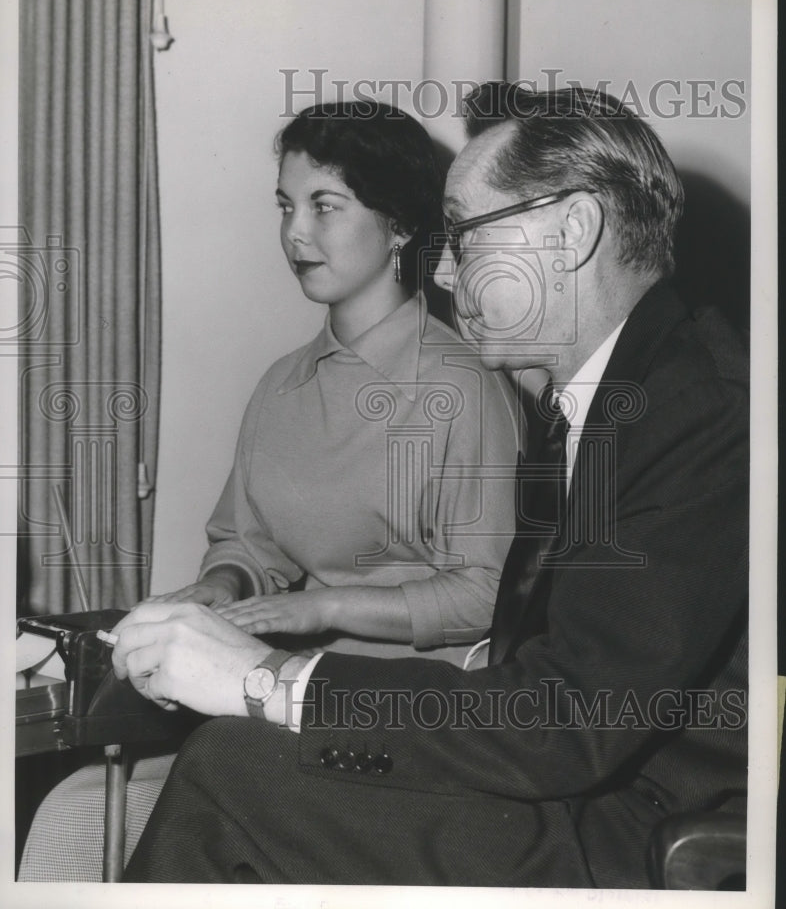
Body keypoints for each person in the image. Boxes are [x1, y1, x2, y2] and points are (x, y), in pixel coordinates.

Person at [114, 82, 748, 889]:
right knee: (238, 760)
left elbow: (566, 719)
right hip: (593, 785)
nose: (444, 271)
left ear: (573, 231)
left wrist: (264, 677)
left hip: (645, 825)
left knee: (235, 774)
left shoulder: (703, 412)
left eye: (467, 235)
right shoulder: (607, 394)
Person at [17, 101, 518, 882]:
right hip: (274, 698)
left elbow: (487, 594)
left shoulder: (465, 388)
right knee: (63, 819)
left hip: (413, 723)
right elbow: (251, 541)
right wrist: (222, 585)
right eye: (286, 206)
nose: (294, 234)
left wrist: (319, 608)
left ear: (398, 227)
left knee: (172, 794)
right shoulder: (282, 385)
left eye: (325, 206)